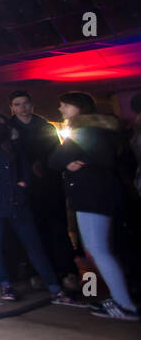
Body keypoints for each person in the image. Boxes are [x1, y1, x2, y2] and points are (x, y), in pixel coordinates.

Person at [0, 102, 81, 305]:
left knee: (32, 243)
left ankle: (54, 287)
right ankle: (5, 285)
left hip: (15, 198)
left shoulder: (10, 137)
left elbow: (23, 163)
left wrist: (24, 183)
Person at [49, 92, 137, 321]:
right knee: (100, 250)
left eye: (64, 106)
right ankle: (109, 297)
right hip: (101, 196)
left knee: (97, 250)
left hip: (91, 197)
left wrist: (67, 162)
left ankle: (124, 304)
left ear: (77, 108)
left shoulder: (84, 131)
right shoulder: (104, 131)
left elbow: (55, 158)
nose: (61, 110)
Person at [8, 90, 76, 286]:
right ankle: (37, 272)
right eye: (18, 104)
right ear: (12, 108)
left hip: (49, 184)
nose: (22, 107)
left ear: (32, 105)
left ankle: (66, 271)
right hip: (26, 187)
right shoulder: (10, 129)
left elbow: (56, 152)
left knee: (57, 228)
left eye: (25, 103)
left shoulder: (45, 126)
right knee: (33, 231)